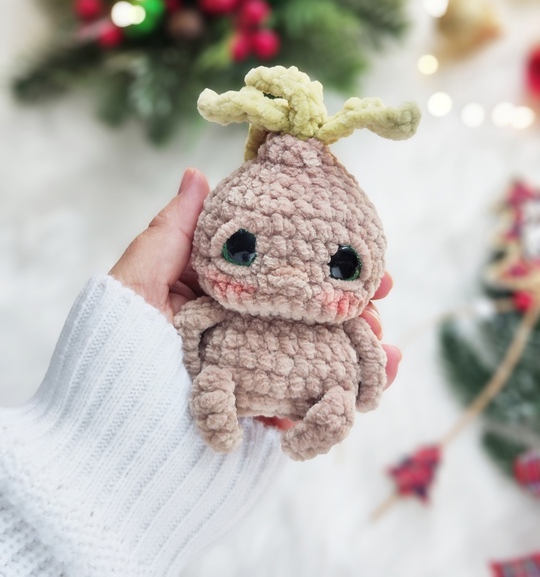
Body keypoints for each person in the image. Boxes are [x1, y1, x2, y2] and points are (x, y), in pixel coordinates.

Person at [0, 169, 401, 576]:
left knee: (335, 402)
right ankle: (226, 412)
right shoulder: (221, 315)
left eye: (342, 266)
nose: (290, 281)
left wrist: (366, 387)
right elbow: (191, 326)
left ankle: (312, 419)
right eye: (242, 250)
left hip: (298, 382)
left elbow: (366, 353)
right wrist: (186, 360)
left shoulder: (339, 330)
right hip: (227, 377)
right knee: (218, 383)